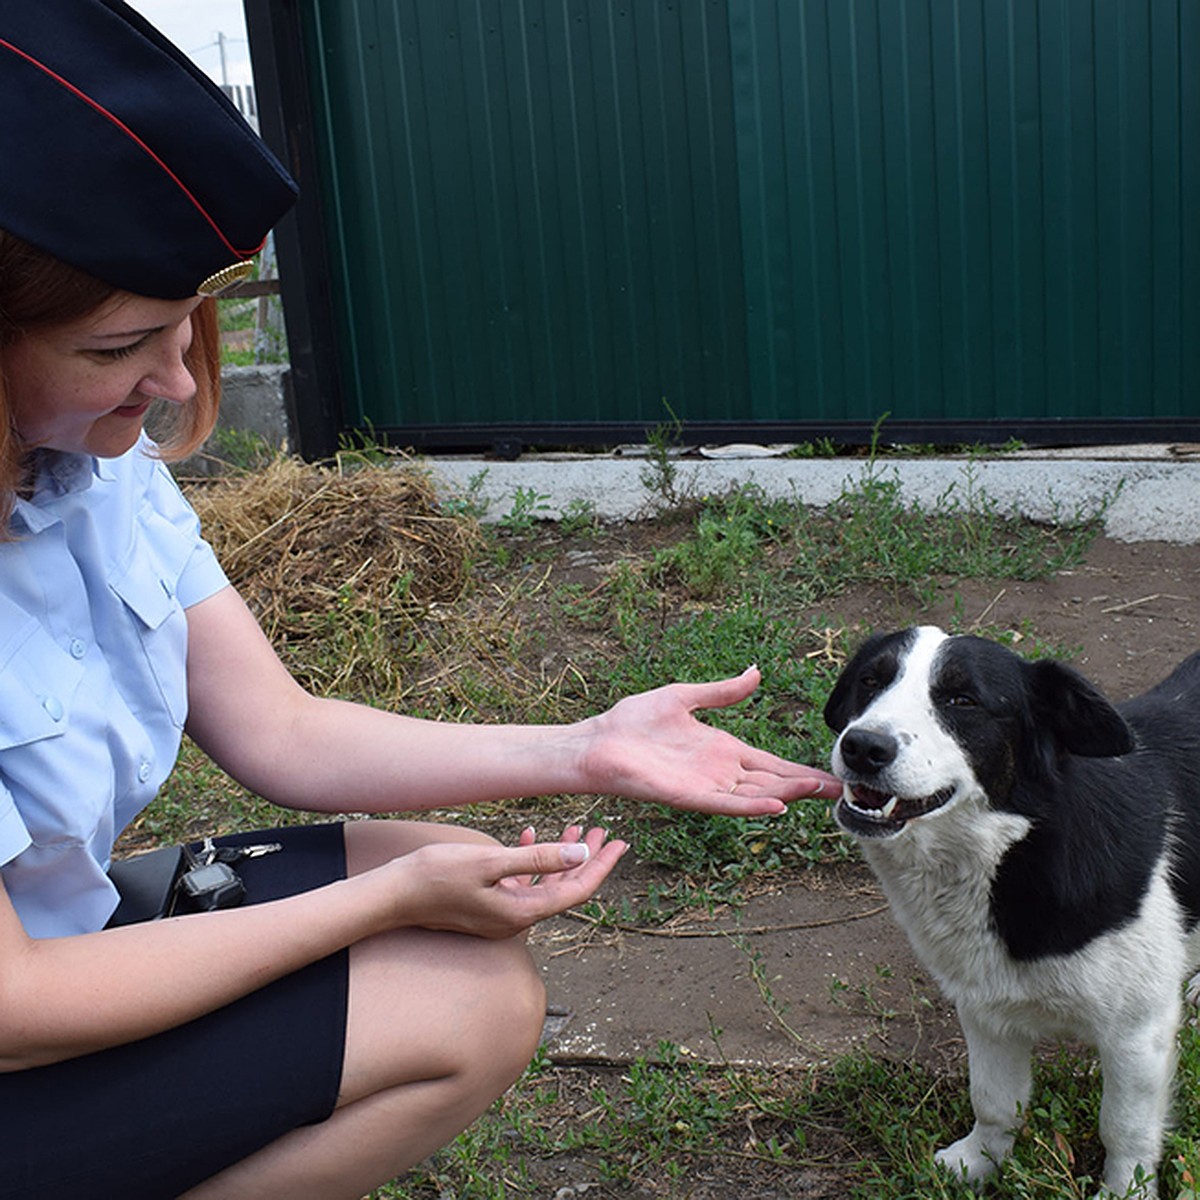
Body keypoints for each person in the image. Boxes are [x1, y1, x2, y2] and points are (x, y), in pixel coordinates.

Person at [0, 2, 843, 1197]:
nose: (180, 381)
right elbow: (16, 1009)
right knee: (461, 996)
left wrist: (588, 748)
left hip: (54, 932)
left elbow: (280, 732)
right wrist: (379, 904)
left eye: (190, 321)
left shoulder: (93, 467)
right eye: (115, 347)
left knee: (444, 866)